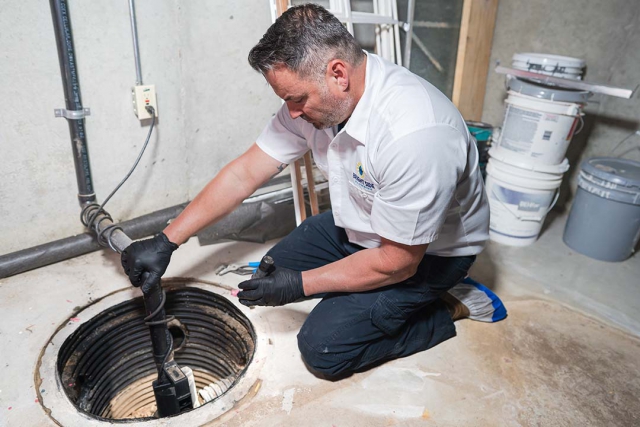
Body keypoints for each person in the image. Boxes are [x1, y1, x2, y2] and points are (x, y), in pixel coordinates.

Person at [121, 4, 506, 378]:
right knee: (274, 269)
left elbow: (397, 261)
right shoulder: (323, 102)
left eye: (296, 99)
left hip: (428, 254)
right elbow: (244, 173)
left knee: (324, 347)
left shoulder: (415, 134)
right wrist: (166, 240)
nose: (291, 112)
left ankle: (449, 305)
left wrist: (301, 286)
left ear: (338, 73)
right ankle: (371, 299)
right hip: (365, 223)